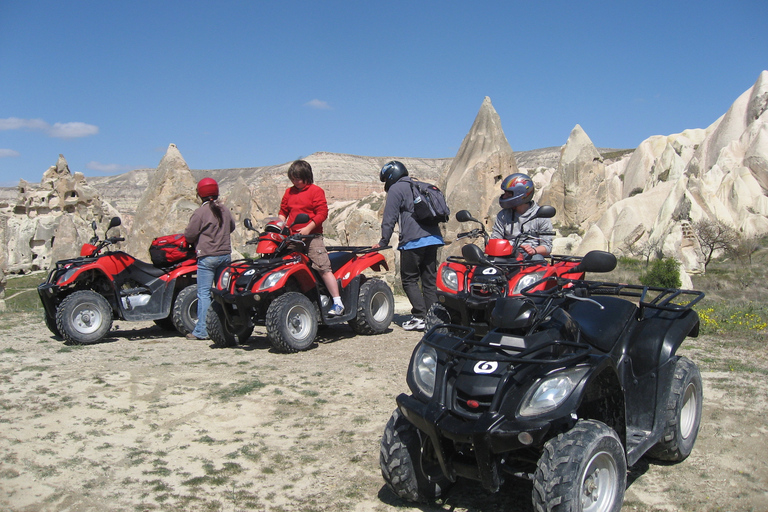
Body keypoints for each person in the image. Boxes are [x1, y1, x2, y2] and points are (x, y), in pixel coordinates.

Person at [372, 161, 443, 331]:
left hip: (413, 240)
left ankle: (420, 316)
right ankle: (433, 318)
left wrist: (383, 241)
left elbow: (389, 218)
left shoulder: (397, 189)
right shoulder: (419, 185)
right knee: (429, 279)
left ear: (391, 176)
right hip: (433, 238)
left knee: (409, 279)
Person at [278, 160, 344, 316]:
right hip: (293, 237)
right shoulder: (289, 192)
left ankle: (337, 302)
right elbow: (283, 211)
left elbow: (322, 213)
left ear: (306, 176)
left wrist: (307, 228)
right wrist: (281, 225)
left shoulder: (316, 191)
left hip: (312, 236)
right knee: (284, 264)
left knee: (322, 267)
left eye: (298, 179)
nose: (295, 182)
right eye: (292, 179)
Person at [184, 177, 236, 340]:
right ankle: (226, 326)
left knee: (204, 293)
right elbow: (232, 227)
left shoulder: (200, 212)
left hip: (207, 257)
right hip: (225, 256)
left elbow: (190, 235)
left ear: (200, 194)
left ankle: (202, 331)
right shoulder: (225, 210)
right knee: (223, 292)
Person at [491, 173, 553, 259]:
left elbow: (547, 247)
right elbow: (495, 240)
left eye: (509, 193)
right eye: (505, 193)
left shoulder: (540, 216)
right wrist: (510, 248)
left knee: (537, 259)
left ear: (521, 194)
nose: (504, 196)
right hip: (508, 253)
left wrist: (533, 250)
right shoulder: (503, 215)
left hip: (530, 256)